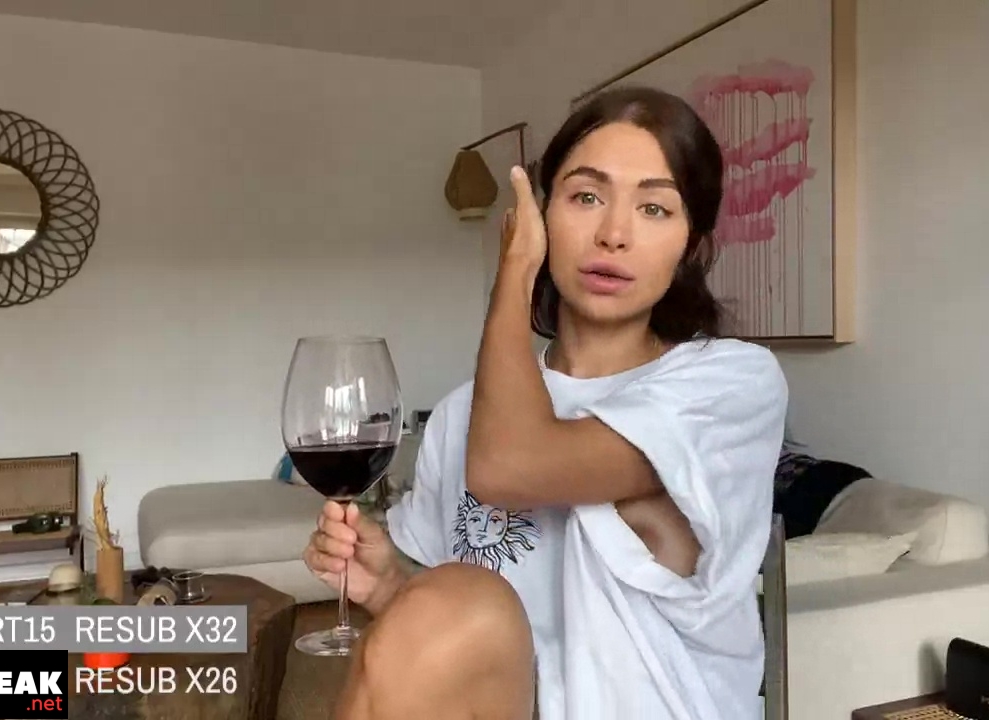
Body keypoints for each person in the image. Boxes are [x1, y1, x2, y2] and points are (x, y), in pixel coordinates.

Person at [302, 85, 789, 720]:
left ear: (690, 247)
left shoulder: (730, 383)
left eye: (654, 208)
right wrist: (390, 585)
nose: (613, 234)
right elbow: (464, 645)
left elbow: (510, 468)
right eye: (586, 197)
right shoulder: (462, 415)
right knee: (457, 598)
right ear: (544, 212)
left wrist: (515, 269)